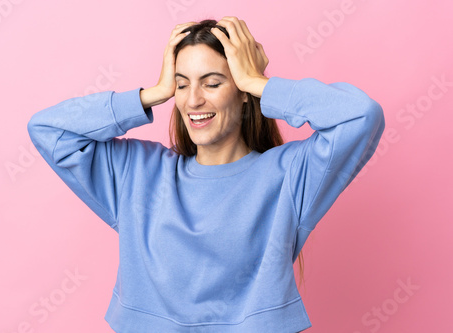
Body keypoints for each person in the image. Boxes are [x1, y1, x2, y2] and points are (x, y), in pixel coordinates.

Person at [27, 16, 385, 333]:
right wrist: (152, 94)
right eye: (182, 85)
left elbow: (361, 116)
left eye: (212, 83)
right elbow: (47, 130)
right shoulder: (136, 172)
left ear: (242, 93)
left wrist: (259, 82)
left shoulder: (289, 176)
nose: (193, 100)